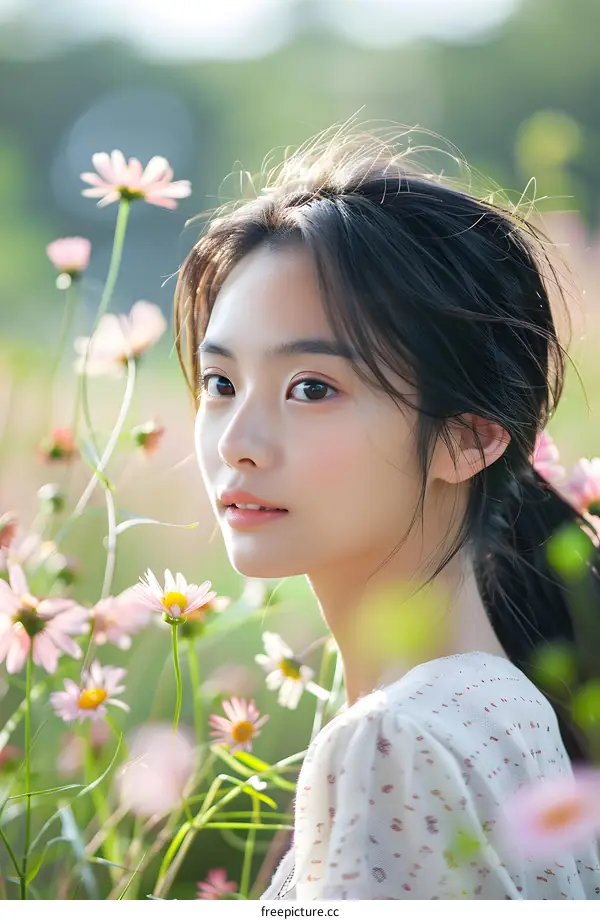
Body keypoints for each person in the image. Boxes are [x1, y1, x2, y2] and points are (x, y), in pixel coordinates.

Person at [173, 122, 600, 899]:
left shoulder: (389, 743)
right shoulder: (512, 709)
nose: (238, 443)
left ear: (470, 440)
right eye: (220, 383)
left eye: (313, 388)